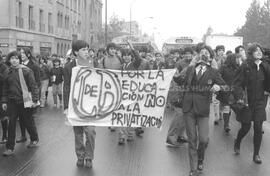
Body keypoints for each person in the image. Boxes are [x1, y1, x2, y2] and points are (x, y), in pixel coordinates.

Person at [174, 45, 226, 176]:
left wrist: (218, 86)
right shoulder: (190, 69)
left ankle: (200, 158)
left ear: (210, 57)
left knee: (203, 140)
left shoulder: (213, 72)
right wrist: (176, 74)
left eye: (206, 53)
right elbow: (179, 80)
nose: (204, 54)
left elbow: (225, 86)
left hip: (202, 109)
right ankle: (193, 169)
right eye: (201, 52)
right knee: (192, 139)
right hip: (188, 108)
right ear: (197, 56)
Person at [233, 43, 270, 164]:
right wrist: (239, 97)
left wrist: (267, 91)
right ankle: (237, 142)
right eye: (256, 50)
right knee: (246, 127)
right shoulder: (245, 66)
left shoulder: (265, 66)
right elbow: (237, 84)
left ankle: (256, 155)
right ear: (251, 53)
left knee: (258, 127)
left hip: (260, 101)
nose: (259, 52)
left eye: (260, 50)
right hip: (247, 102)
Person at [63, 40, 95, 168]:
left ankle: (89, 157)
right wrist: (66, 106)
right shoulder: (68, 67)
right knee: (78, 133)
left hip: (90, 104)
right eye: (83, 50)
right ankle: (80, 156)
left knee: (91, 132)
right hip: (75, 104)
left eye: (87, 49)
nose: (87, 52)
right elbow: (66, 87)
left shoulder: (93, 64)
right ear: (76, 52)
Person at [2, 51, 39, 156]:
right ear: (9, 60)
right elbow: (5, 88)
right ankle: (10, 148)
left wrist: (35, 100)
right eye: (12, 58)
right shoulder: (7, 72)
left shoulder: (26, 71)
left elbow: (33, 85)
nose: (14, 60)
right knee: (11, 125)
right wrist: (4, 101)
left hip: (25, 101)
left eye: (16, 58)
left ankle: (34, 139)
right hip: (12, 102)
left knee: (28, 121)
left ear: (20, 60)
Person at [118, 42, 142, 145]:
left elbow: (139, 58)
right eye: (125, 55)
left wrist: (132, 48)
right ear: (122, 57)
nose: (126, 57)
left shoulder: (134, 65)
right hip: (122, 95)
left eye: (128, 55)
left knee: (131, 115)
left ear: (131, 57)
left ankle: (130, 134)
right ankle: (121, 136)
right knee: (121, 115)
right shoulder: (120, 67)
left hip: (132, 94)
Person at [219, 54, 241, 134]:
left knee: (233, 107)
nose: (238, 60)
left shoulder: (238, 68)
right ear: (232, 59)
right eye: (237, 59)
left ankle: (241, 120)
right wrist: (222, 86)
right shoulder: (223, 68)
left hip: (236, 91)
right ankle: (226, 125)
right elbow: (218, 77)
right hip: (225, 91)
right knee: (226, 107)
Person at [0, 56, 8, 144]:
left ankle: (5, 136)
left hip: (2, 96)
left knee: (3, 116)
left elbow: (6, 81)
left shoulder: (4, 67)